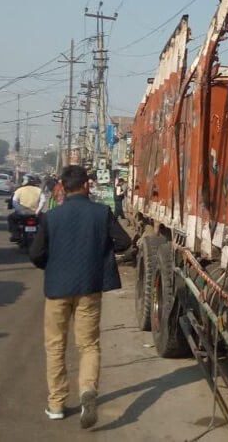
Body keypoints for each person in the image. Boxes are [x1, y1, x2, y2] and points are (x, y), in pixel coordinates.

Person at [28, 165, 132, 428]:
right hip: (89, 288)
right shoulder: (101, 212)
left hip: (56, 290)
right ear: (87, 185)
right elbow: (124, 242)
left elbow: (36, 255)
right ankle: (88, 391)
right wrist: (98, 252)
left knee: (55, 346)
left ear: (62, 187)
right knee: (88, 345)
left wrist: (53, 267)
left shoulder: (51, 217)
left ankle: (56, 404)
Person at [8, 175, 42, 242]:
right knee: (44, 222)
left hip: (22, 213)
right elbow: (43, 200)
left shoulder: (19, 189)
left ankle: (15, 235)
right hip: (35, 213)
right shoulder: (38, 189)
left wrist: (19, 209)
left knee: (10, 218)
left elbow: (14, 201)